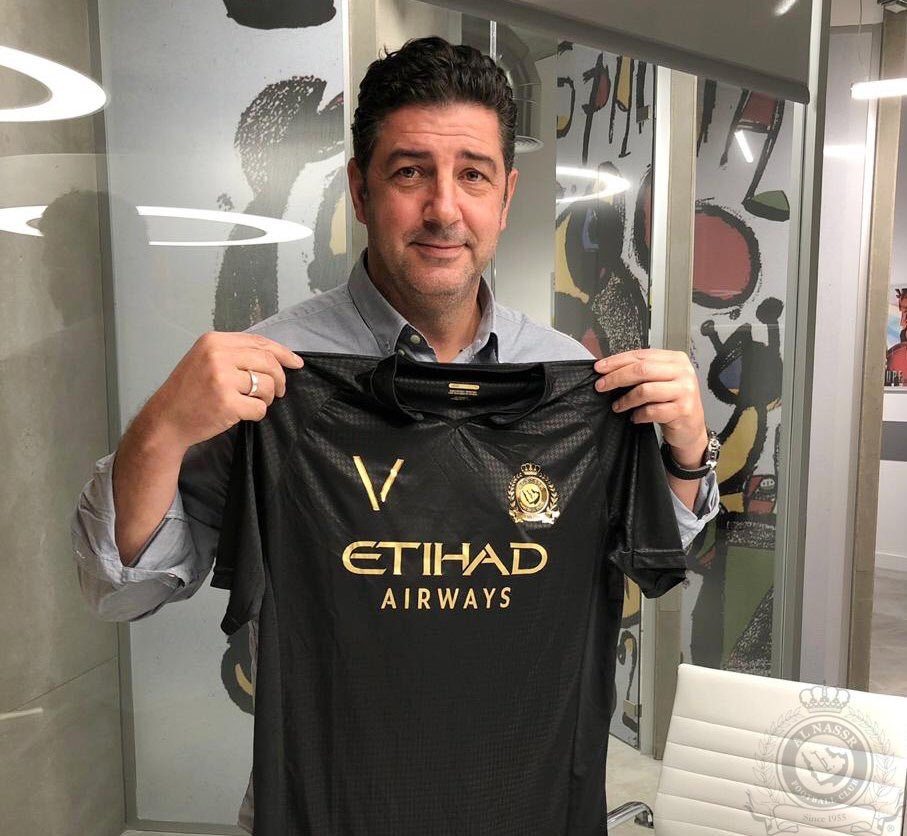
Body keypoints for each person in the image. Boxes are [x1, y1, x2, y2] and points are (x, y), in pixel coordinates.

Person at [73, 36, 718, 832]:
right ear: (360, 189)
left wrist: (686, 451)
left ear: (505, 196)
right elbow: (121, 587)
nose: (444, 209)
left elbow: (657, 558)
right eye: (410, 172)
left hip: (520, 805)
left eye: (472, 174)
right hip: (331, 810)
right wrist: (163, 426)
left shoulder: (572, 381)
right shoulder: (273, 379)